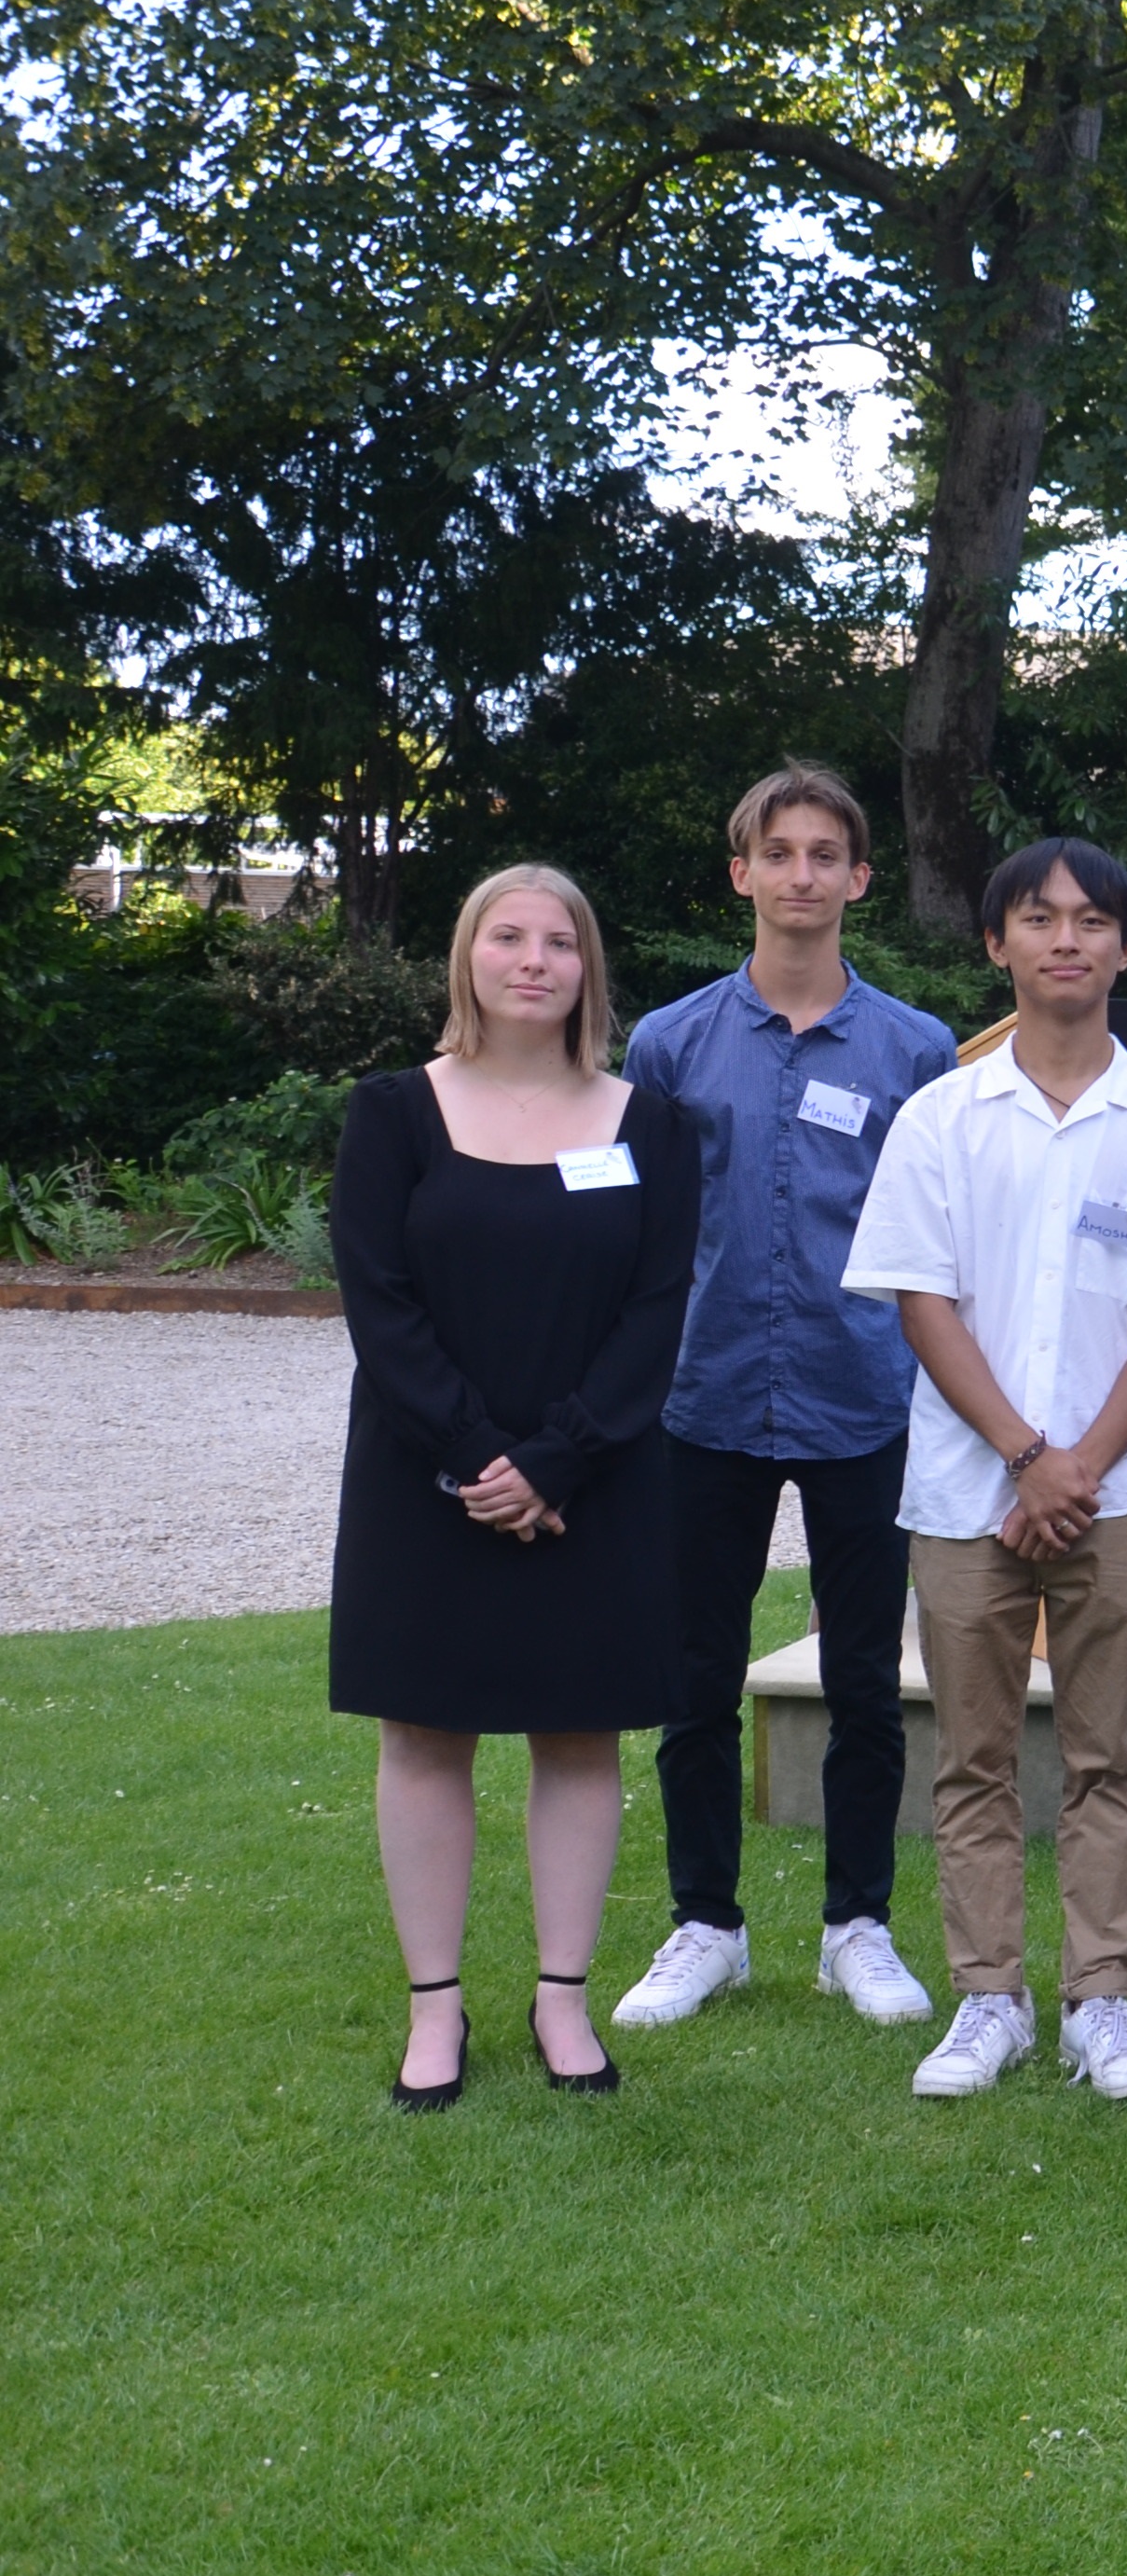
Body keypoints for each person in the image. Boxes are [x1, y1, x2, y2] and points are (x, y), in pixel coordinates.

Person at [842, 838, 1127, 2103]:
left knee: (1105, 1756)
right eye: (1037, 918)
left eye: (1090, 922)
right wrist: (1026, 1457)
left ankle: (1102, 2004)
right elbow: (922, 1301)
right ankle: (987, 2001)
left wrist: (1076, 1469)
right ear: (997, 945)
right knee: (970, 1755)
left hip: (1116, 1493)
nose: (1064, 940)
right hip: (970, 1493)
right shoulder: (941, 1116)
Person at [335, 864, 698, 2106]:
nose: (534, 959)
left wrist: (555, 1460)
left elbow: (658, 1312)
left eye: (561, 941)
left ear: (588, 968)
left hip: (592, 1483)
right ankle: (434, 2013)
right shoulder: (393, 1114)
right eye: (509, 936)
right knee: (425, 1733)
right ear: (468, 956)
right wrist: (474, 1460)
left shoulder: (649, 1124)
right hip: (424, 1479)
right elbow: (379, 1305)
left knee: (579, 1734)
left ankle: (562, 2001)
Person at [608, 769, 959, 2038]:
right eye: (780, 852)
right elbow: (634, 1231)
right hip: (700, 1401)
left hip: (868, 1396)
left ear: (860, 879)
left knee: (866, 1677)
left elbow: (940, 1237)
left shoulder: (917, 1049)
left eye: (827, 855)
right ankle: (706, 1925)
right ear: (740, 873)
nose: (803, 875)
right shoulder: (669, 1043)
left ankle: (855, 1927)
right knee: (693, 1675)